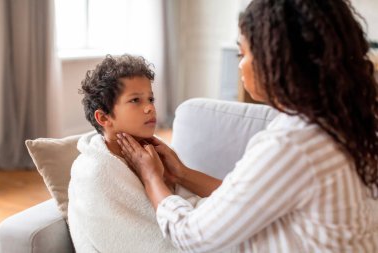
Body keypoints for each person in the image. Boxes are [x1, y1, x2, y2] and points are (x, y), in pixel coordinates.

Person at [117, 0, 378, 252]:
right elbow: (249, 201)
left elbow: (191, 236)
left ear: (275, 59)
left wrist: (151, 176)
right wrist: (182, 173)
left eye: (243, 53)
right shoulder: (342, 125)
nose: (240, 64)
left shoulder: (292, 144)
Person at [67, 54, 178, 253]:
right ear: (103, 117)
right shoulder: (95, 171)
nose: (150, 108)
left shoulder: (154, 152)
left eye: (150, 99)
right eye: (135, 100)